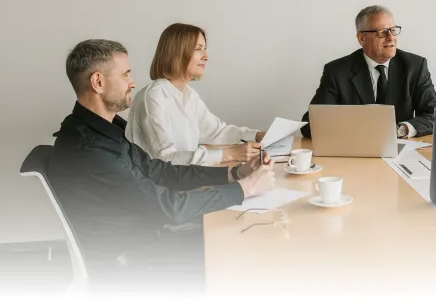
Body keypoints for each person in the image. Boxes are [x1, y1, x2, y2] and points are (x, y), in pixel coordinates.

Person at [47, 39, 276, 284]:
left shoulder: (103, 130)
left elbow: (159, 171)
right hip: (138, 263)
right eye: (125, 75)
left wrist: (235, 174)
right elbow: (170, 208)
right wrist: (246, 189)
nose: (132, 83)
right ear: (98, 82)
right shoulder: (90, 149)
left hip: (147, 242)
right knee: (244, 253)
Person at [127, 23, 264, 165]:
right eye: (198, 49)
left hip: (182, 180)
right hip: (156, 185)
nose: (206, 56)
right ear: (177, 52)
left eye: (204, 49)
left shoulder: (190, 95)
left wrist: (256, 136)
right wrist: (228, 155)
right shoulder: (153, 97)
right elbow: (165, 158)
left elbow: (216, 132)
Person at [301, 5, 436, 138]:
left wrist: (401, 129)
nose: (391, 38)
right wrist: (357, 130)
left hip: (400, 149)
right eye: (382, 32)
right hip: (355, 151)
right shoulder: (337, 71)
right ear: (362, 38)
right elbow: (310, 125)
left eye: (393, 30)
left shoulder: (414, 66)